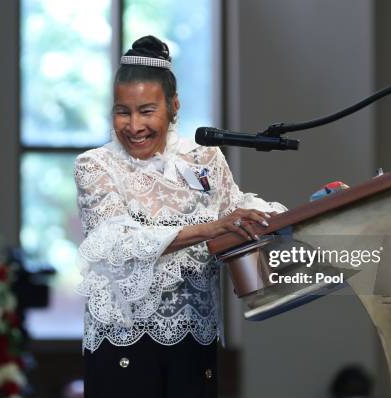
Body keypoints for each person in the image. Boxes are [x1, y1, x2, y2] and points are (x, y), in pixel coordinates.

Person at [74, 35, 287, 398]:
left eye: (146, 110)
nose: (133, 125)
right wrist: (212, 228)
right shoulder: (95, 166)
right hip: (124, 344)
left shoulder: (204, 158)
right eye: (122, 111)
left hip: (193, 340)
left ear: (174, 106)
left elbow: (233, 208)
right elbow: (117, 242)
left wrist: (288, 213)